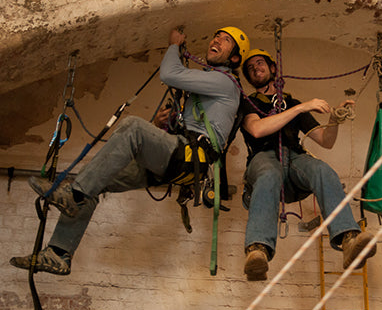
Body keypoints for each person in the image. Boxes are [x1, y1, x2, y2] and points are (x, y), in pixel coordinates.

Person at [10, 26, 250, 275]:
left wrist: (173, 45)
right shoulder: (207, 87)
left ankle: (75, 196)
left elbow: (169, 74)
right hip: (180, 158)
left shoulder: (225, 81)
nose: (216, 39)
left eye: (226, 40)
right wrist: (159, 125)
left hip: (190, 158)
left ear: (234, 58)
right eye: (217, 35)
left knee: (132, 127)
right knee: (97, 181)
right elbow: (189, 128)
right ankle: (59, 253)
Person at [239, 49, 376, 281]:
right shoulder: (248, 103)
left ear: (273, 68)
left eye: (260, 63)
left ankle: (349, 239)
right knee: (269, 175)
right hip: (263, 158)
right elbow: (257, 129)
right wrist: (301, 108)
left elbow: (326, 141)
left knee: (323, 170)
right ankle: (257, 250)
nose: (255, 68)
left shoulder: (290, 102)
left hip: (294, 159)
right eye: (250, 68)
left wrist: (334, 120)